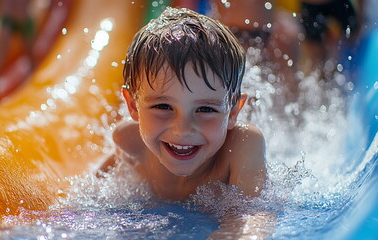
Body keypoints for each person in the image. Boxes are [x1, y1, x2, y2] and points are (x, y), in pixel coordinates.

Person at [99, 7, 267, 200]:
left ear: (232, 112)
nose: (183, 130)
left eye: (205, 109)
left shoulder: (242, 146)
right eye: (163, 107)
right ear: (133, 106)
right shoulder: (129, 142)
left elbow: (252, 221)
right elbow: (84, 194)